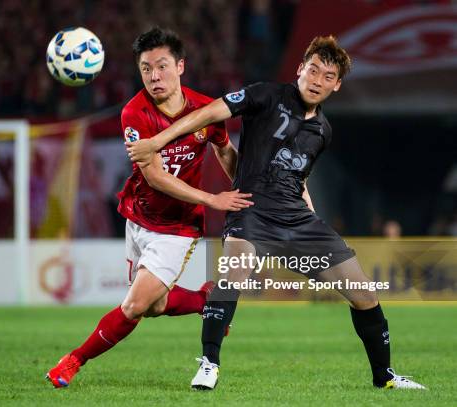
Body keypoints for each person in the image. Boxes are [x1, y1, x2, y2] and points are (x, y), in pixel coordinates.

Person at [126, 35, 426, 390]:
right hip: (251, 212)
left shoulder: (323, 131)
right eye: (312, 70)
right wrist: (157, 142)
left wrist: (314, 222)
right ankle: (209, 364)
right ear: (300, 69)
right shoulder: (264, 95)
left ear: (337, 85)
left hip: (298, 221)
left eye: (327, 76)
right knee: (232, 277)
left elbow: (300, 178)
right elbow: (206, 113)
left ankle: (385, 376)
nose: (317, 80)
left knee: (364, 294)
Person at [47, 27, 253, 388]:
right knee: (155, 306)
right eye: (145, 69)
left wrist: (237, 192)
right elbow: (155, 177)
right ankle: (207, 298)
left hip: (178, 227)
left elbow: (223, 147)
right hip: (139, 217)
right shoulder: (135, 114)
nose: (154, 76)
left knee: (133, 307)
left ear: (181, 66)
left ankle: (72, 361)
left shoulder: (207, 109)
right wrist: (213, 198)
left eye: (161, 66)